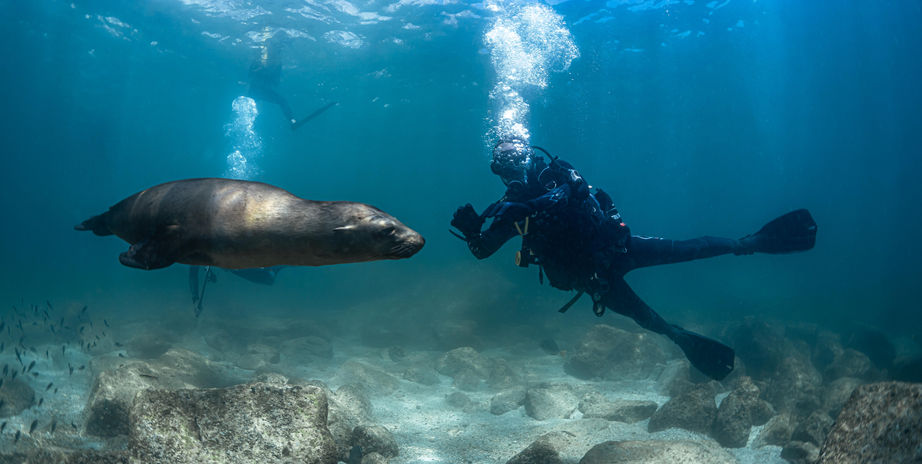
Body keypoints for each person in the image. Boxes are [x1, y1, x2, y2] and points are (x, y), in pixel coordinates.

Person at [451, 140, 817, 380]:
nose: (512, 165)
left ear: (528, 153)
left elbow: (567, 195)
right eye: (502, 163)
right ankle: (683, 339)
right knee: (648, 320)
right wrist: (472, 234)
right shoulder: (511, 212)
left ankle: (752, 242)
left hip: (619, 247)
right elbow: (483, 251)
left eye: (515, 155)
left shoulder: (555, 172)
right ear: (497, 172)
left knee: (692, 248)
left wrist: (519, 205)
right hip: (592, 279)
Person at [247, 36, 337, 130]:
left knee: (282, 101)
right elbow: (251, 75)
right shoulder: (260, 59)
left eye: (279, 50)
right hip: (255, 90)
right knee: (280, 101)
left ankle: (292, 121)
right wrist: (262, 70)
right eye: (277, 49)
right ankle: (292, 121)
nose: (278, 52)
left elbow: (275, 80)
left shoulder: (275, 62)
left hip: (261, 90)